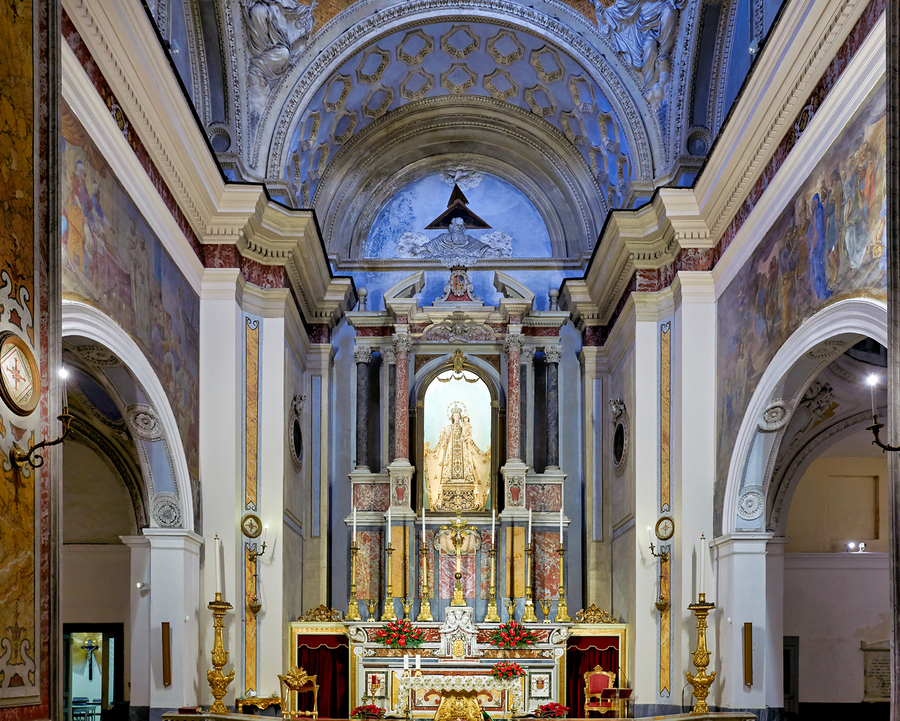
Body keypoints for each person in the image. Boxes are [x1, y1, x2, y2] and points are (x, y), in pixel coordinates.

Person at [423, 404, 491, 511]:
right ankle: (448, 479)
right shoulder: (449, 427)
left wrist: (467, 436)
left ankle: (467, 480)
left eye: (458, 415)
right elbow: (444, 439)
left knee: (466, 463)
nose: (456, 417)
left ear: (460, 416)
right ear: (452, 417)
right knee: (449, 464)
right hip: (451, 450)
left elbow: (468, 437)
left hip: (463, 449)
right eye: (454, 415)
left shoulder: (464, 426)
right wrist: (443, 432)